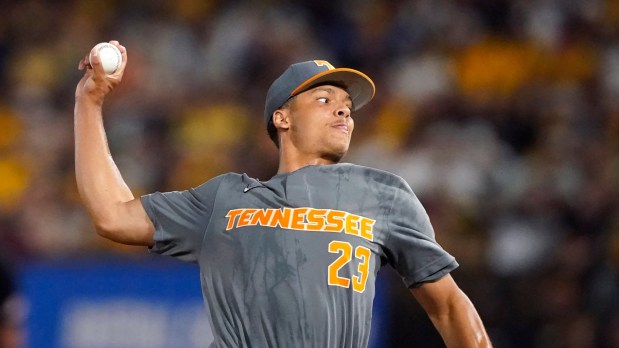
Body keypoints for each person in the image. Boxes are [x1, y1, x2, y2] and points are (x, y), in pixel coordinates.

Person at [74, 40, 491, 348]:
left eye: (346, 104)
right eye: (324, 99)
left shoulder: (384, 194)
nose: (343, 110)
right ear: (282, 117)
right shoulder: (226, 198)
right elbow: (112, 215)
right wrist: (89, 102)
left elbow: (449, 306)